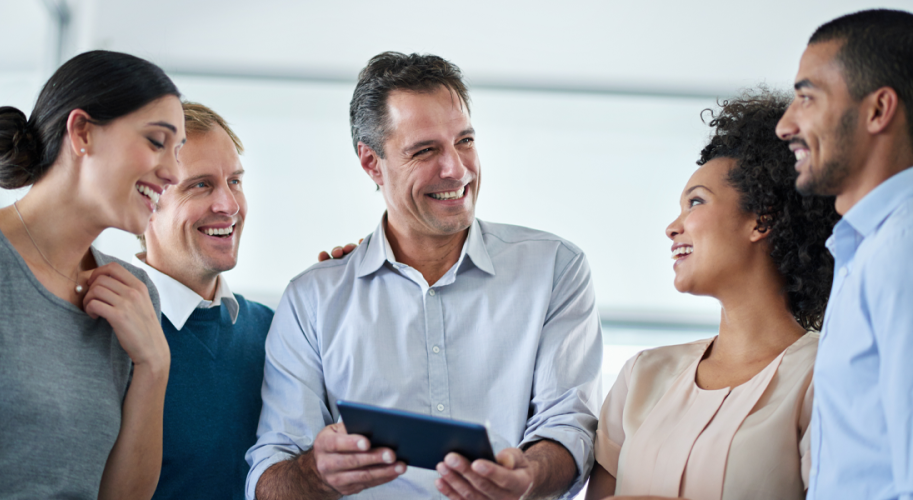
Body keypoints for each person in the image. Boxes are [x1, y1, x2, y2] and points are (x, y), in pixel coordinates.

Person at [246, 51, 603, 500]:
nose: (455, 169)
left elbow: (570, 425)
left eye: (465, 141)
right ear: (372, 163)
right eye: (425, 150)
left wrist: (528, 475)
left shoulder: (555, 269)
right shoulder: (312, 299)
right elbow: (270, 474)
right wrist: (315, 473)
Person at [0, 50, 184, 498]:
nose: (173, 172)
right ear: (81, 133)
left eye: (178, 153)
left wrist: (154, 366)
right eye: (157, 142)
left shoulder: (135, 298)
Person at [585, 89, 839, 500]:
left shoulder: (826, 376)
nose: (673, 226)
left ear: (762, 219)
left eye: (695, 202)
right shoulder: (642, 376)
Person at [775, 9, 913, 499]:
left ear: (878, 110)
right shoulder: (866, 248)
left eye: (806, 98)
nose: (785, 125)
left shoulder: (901, 252)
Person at [131, 101, 273, 500]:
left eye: (235, 182)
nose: (228, 205)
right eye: (201, 185)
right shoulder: (103, 328)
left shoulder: (272, 329)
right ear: (146, 203)